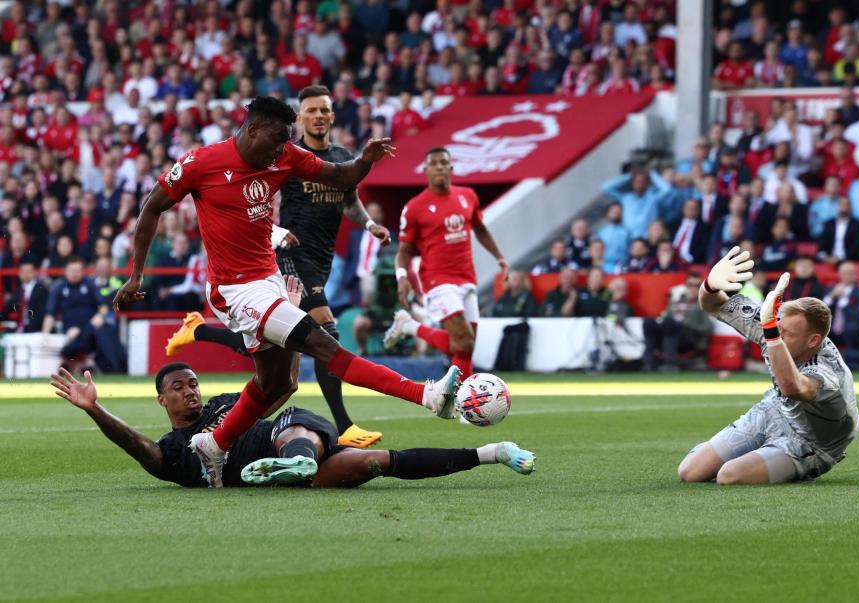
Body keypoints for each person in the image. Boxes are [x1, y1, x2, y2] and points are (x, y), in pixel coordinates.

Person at [113, 97, 459, 488]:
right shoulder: (201, 163)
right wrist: (136, 275)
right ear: (253, 130)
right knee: (325, 344)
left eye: (286, 142)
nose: (282, 149)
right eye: (277, 140)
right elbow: (152, 207)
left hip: (269, 279)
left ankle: (214, 446)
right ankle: (427, 395)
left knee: (278, 384)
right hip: (235, 289)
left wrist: (365, 161)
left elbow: (342, 177)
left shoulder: (286, 156)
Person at [164, 87, 391, 449]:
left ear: (333, 116)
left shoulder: (340, 157)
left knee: (284, 368)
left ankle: (200, 337)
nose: (318, 116)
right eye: (311, 110)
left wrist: (367, 225)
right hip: (286, 255)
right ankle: (346, 424)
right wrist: (278, 233)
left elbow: (350, 197)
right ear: (300, 117)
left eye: (324, 110)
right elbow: (248, 206)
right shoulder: (283, 154)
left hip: (321, 256)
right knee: (324, 332)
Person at [50, 363, 535, 489]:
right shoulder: (174, 452)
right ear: (162, 399)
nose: (190, 390)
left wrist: (289, 330)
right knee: (374, 463)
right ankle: (493, 451)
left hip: (291, 428)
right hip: (302, 464)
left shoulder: (224, 403)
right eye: (179, 386)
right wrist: (95, 410)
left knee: (288, 429)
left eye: (193, 382)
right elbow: (140, 450)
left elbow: (276, 388)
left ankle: (295, 462)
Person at [678, 247, 859, 484]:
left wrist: (770, 332)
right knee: (690, 472)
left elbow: (792, 387)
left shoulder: (827, 369)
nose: (777, 333)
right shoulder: (774, 324)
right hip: (774, 411)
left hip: (812, 443)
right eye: (777, 327)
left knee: (729, 476)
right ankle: (758, 454)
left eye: (786, 333)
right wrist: (711, 285)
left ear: (813, 341)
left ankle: (803, 468)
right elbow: (713, 305)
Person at [384, 147, 509, 378]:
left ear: (451, 167)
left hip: (467, 277)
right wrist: (402, 277)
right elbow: (404, 251)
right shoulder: (415, 207)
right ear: (426, 170)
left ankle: (410, 327)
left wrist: (499, 257)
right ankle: (468, 408)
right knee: (464, 341)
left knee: (463, 348)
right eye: (434, 163)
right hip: (436, 279)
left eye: (444, 162)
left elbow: (480, 229)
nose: (440, 166)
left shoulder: (468, 196)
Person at [44, 256, 126, 373]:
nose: (75, 274)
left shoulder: (89, 284)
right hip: (70, 329)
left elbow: (103, 306)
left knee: (104, 330)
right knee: (100, 332)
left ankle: (116, 366)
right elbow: (50, 314)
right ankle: (108, 367)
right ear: (66, 271)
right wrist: (45, 335)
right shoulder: (59, 288)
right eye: (72, 271)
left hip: (90, 326)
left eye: (77, 271)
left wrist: (100, 316)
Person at [642, 272, 713, 372]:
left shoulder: (702, 305)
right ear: (685, 286)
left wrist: (687, 324)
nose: (693, 288)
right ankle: (648, 363)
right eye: (690, 285)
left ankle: (669, 364)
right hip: (669, 333)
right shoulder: (675, 302)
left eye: (697, 286)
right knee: (649, 321)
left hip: (688, 338)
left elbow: (708, 328)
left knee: (670, 322)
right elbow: (665, 318)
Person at [822, 260, 859, 349]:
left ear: (855, 275)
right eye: (844, 272)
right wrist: (831, 296)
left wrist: (843, 298)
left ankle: (850, 357)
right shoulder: (830, 289)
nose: (847, 275)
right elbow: (821, 309)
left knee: (852, 327)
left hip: (848, 328)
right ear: (839, 274)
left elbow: (855, 316)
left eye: (850, 273)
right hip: (831, 327)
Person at [1, 260, 48, 333]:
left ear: (34, 273)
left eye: (28, 272)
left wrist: (27, 328)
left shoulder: (41, 290)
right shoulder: (19, 290)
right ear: (19, 273)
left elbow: (41, 314)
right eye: (23, 271)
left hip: (36, 329)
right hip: (19, 328)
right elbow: (8, 308)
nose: (25, 274)